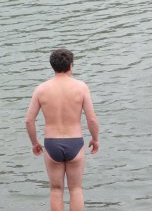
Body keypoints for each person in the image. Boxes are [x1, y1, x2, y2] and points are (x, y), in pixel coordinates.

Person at [25, 48, 99, 211]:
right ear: (71, 66)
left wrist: (34, 143)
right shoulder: (81, 87)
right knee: (76, 189)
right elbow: (91, 118)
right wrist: (95, 139)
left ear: (53, 66)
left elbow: (29, 121)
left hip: (51, 144)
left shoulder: (41, 89)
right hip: (75, 143)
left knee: (56, 190)